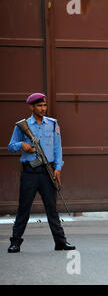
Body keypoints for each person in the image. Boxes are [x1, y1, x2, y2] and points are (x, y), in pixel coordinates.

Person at [7, 92, 75, 253]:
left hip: (47, 171)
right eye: (39, 105)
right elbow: (11, 146)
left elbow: (58, 147)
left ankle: (60, 242)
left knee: (52, 208)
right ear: (31, 107)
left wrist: (58, 168)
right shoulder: (23, 125)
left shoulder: (52, 124)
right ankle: (15, 242)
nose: (43, 108)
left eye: (44, 105)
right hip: (30, 172)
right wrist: (22, 145)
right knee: (24, 208)